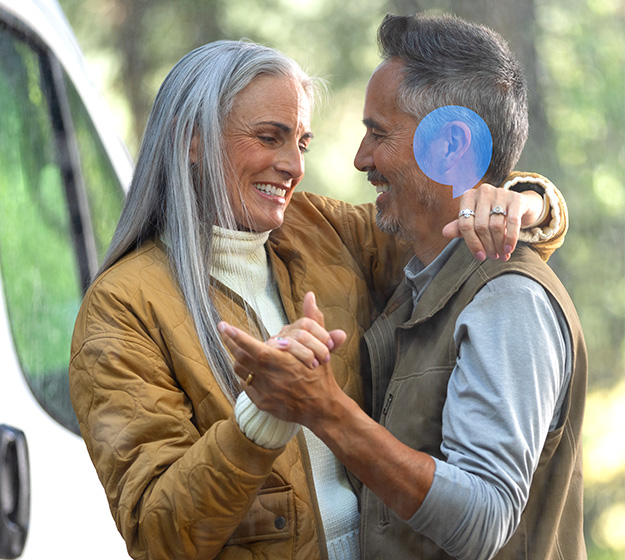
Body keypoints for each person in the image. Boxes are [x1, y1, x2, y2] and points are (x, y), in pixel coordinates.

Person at [69, 39, 567, 560]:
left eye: (301, 144)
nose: (293, 166)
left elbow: (449, 224)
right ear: (189, 139)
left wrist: (530, 199)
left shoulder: (323, 230)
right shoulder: (121, 308)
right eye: (269, 137)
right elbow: (157, 534)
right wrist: (258, 418)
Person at [219, 14, 587, 560]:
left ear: (452, 146)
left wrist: (324, 410)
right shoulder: (414, 273)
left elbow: (485, 519)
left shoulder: (508, 299)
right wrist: (534, 200)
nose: (360, 158)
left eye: (378, 132)